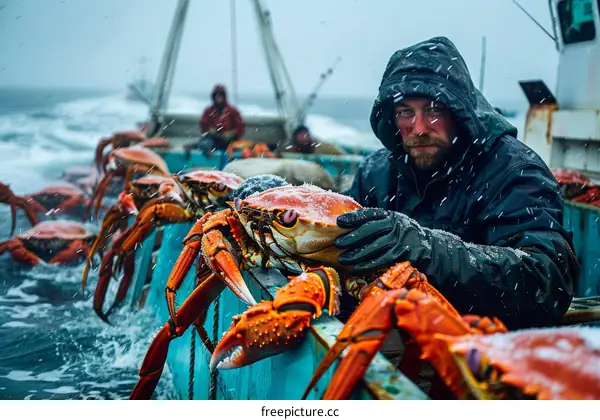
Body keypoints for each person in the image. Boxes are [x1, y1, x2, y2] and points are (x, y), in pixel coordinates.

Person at [335, 37, 579, 330]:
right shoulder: (376, 172)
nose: (420, 128)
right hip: (384, 336)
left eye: (434, 110)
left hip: (480, 355)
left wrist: (424, 249)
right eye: (405, 112)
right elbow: (337, 242)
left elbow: (545, 282)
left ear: (459, 111)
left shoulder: (513, 173)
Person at [185, 84, 245, 159]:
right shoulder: (209, 110)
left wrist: (231, 133)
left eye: (221, 94)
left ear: (224, 96)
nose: (218, 97)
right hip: (213, 139)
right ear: (213, 96)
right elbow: (203, 125)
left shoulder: (232, 110)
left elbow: (241, 127)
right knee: (205, 143)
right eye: (216, 94)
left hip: (228, 141)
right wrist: (209, 130)